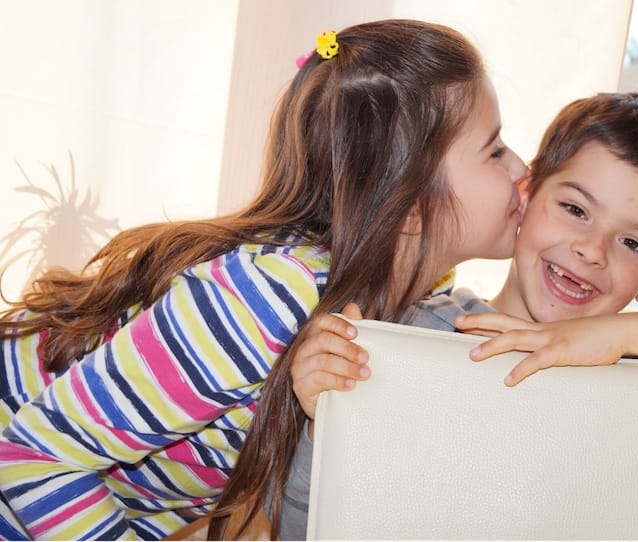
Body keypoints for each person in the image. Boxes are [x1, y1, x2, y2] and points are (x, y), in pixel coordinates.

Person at [0, 19, 529, 540]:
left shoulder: (412, 301)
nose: (521, 168)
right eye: (495, 150)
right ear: (411, 205)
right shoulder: (271, 298)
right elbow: (31, 458)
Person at [280, 92, 638, 539]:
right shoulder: (411, 334)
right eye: (576, 209)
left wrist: (620, 335)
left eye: (632, 242)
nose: (592, 250)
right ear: (525, 196)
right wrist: (324, 422)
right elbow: (304, 530)